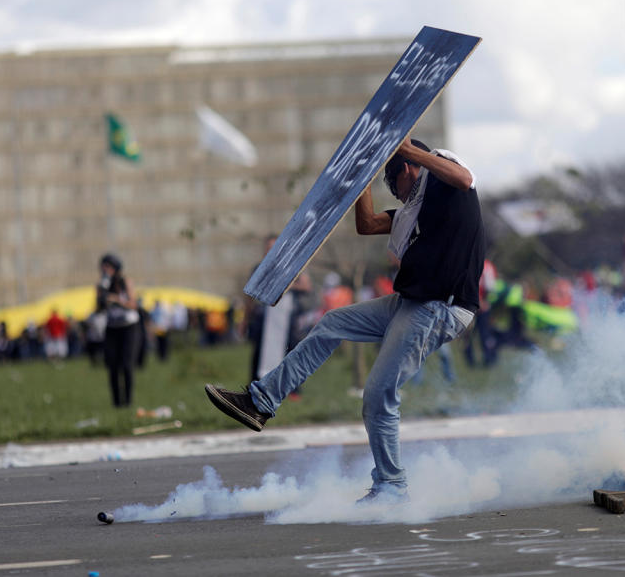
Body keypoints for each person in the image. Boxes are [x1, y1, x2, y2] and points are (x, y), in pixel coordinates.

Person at [205, 137, 484, 504]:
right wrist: (362, 181)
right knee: (331, 323)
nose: (396, 196)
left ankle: (391, 488)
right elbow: (367, 224)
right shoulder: (413, 212)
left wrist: (404, 149)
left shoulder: (447, 187)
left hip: (439, 308)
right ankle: (262, 401)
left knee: (378, 394)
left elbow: (464, 179)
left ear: (408, 169)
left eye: (392, 183)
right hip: (410, 303)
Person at [97, 253, 139, 408]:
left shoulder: (125, 282)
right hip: (112, 327)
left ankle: (128, 401)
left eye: (107, 266)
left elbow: (133, 304)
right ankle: (117, 403)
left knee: (127, 365)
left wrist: (116, 300)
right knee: (112, 366)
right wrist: (102, 294)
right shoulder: (102, 285)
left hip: (128, 327)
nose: (104, 269)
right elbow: (99, 307)